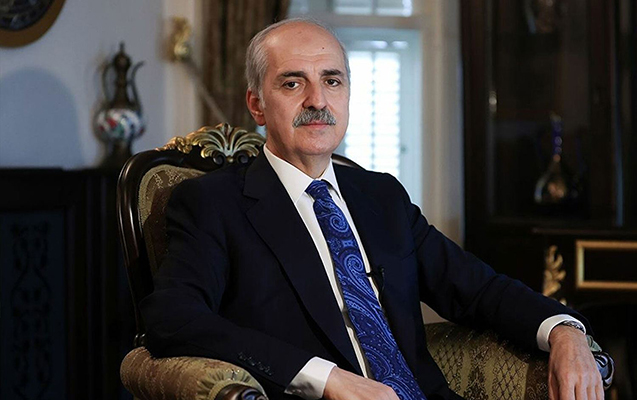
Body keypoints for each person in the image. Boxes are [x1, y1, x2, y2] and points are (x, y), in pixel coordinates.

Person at [140, 18, 603, 400]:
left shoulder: (381, 197)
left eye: (332, 81)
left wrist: (565, 331)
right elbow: (173, 319)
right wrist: (325, 378)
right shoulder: (213, 203)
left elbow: (478, 290)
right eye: (292, 83)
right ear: (257, 105)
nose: (317, 100)